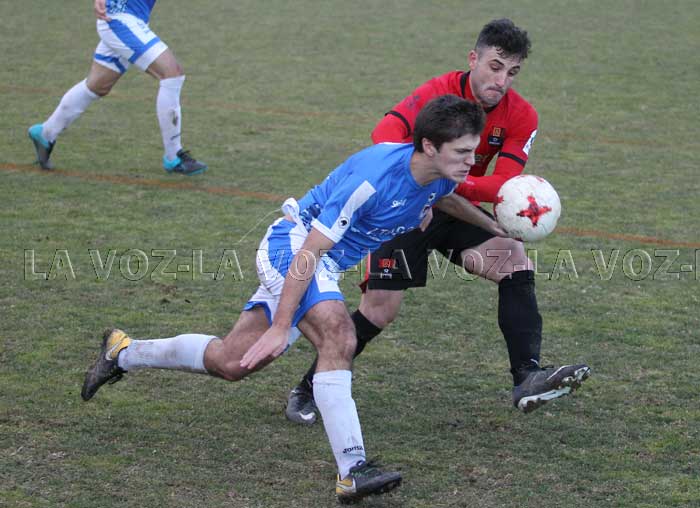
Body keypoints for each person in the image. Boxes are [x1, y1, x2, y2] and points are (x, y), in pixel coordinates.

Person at [81, 95, 499, 502]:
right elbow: (309, 251)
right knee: (339, 335)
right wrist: (282, 325)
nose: (471, 160)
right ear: (429, 146)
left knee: (231, 363)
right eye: (462, 151)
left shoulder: (440, 175)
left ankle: (123, 352)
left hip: (323, 265)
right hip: (293, 248)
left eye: (473, 150)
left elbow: (444, 197)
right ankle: (353, 470)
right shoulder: (372, 180)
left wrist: (496, 228)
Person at [285, 18, 590, 426]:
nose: (501, 80)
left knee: (515, 263)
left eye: (512, 72)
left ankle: (527, 377)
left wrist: (448, 186)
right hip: (404, 209)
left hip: (455, 205)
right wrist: (423, 182)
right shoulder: (438, 93)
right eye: (495, 66)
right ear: (473, 59)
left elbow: (503, 184)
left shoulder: (522, 116)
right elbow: (384, 135)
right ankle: (307, 388)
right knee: (379, 311)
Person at [27, 0, 206, 175]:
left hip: (132, 18)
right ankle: (174, 156)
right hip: (120, 17)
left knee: (97, 86)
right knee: (172, 74)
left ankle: (46, 133)